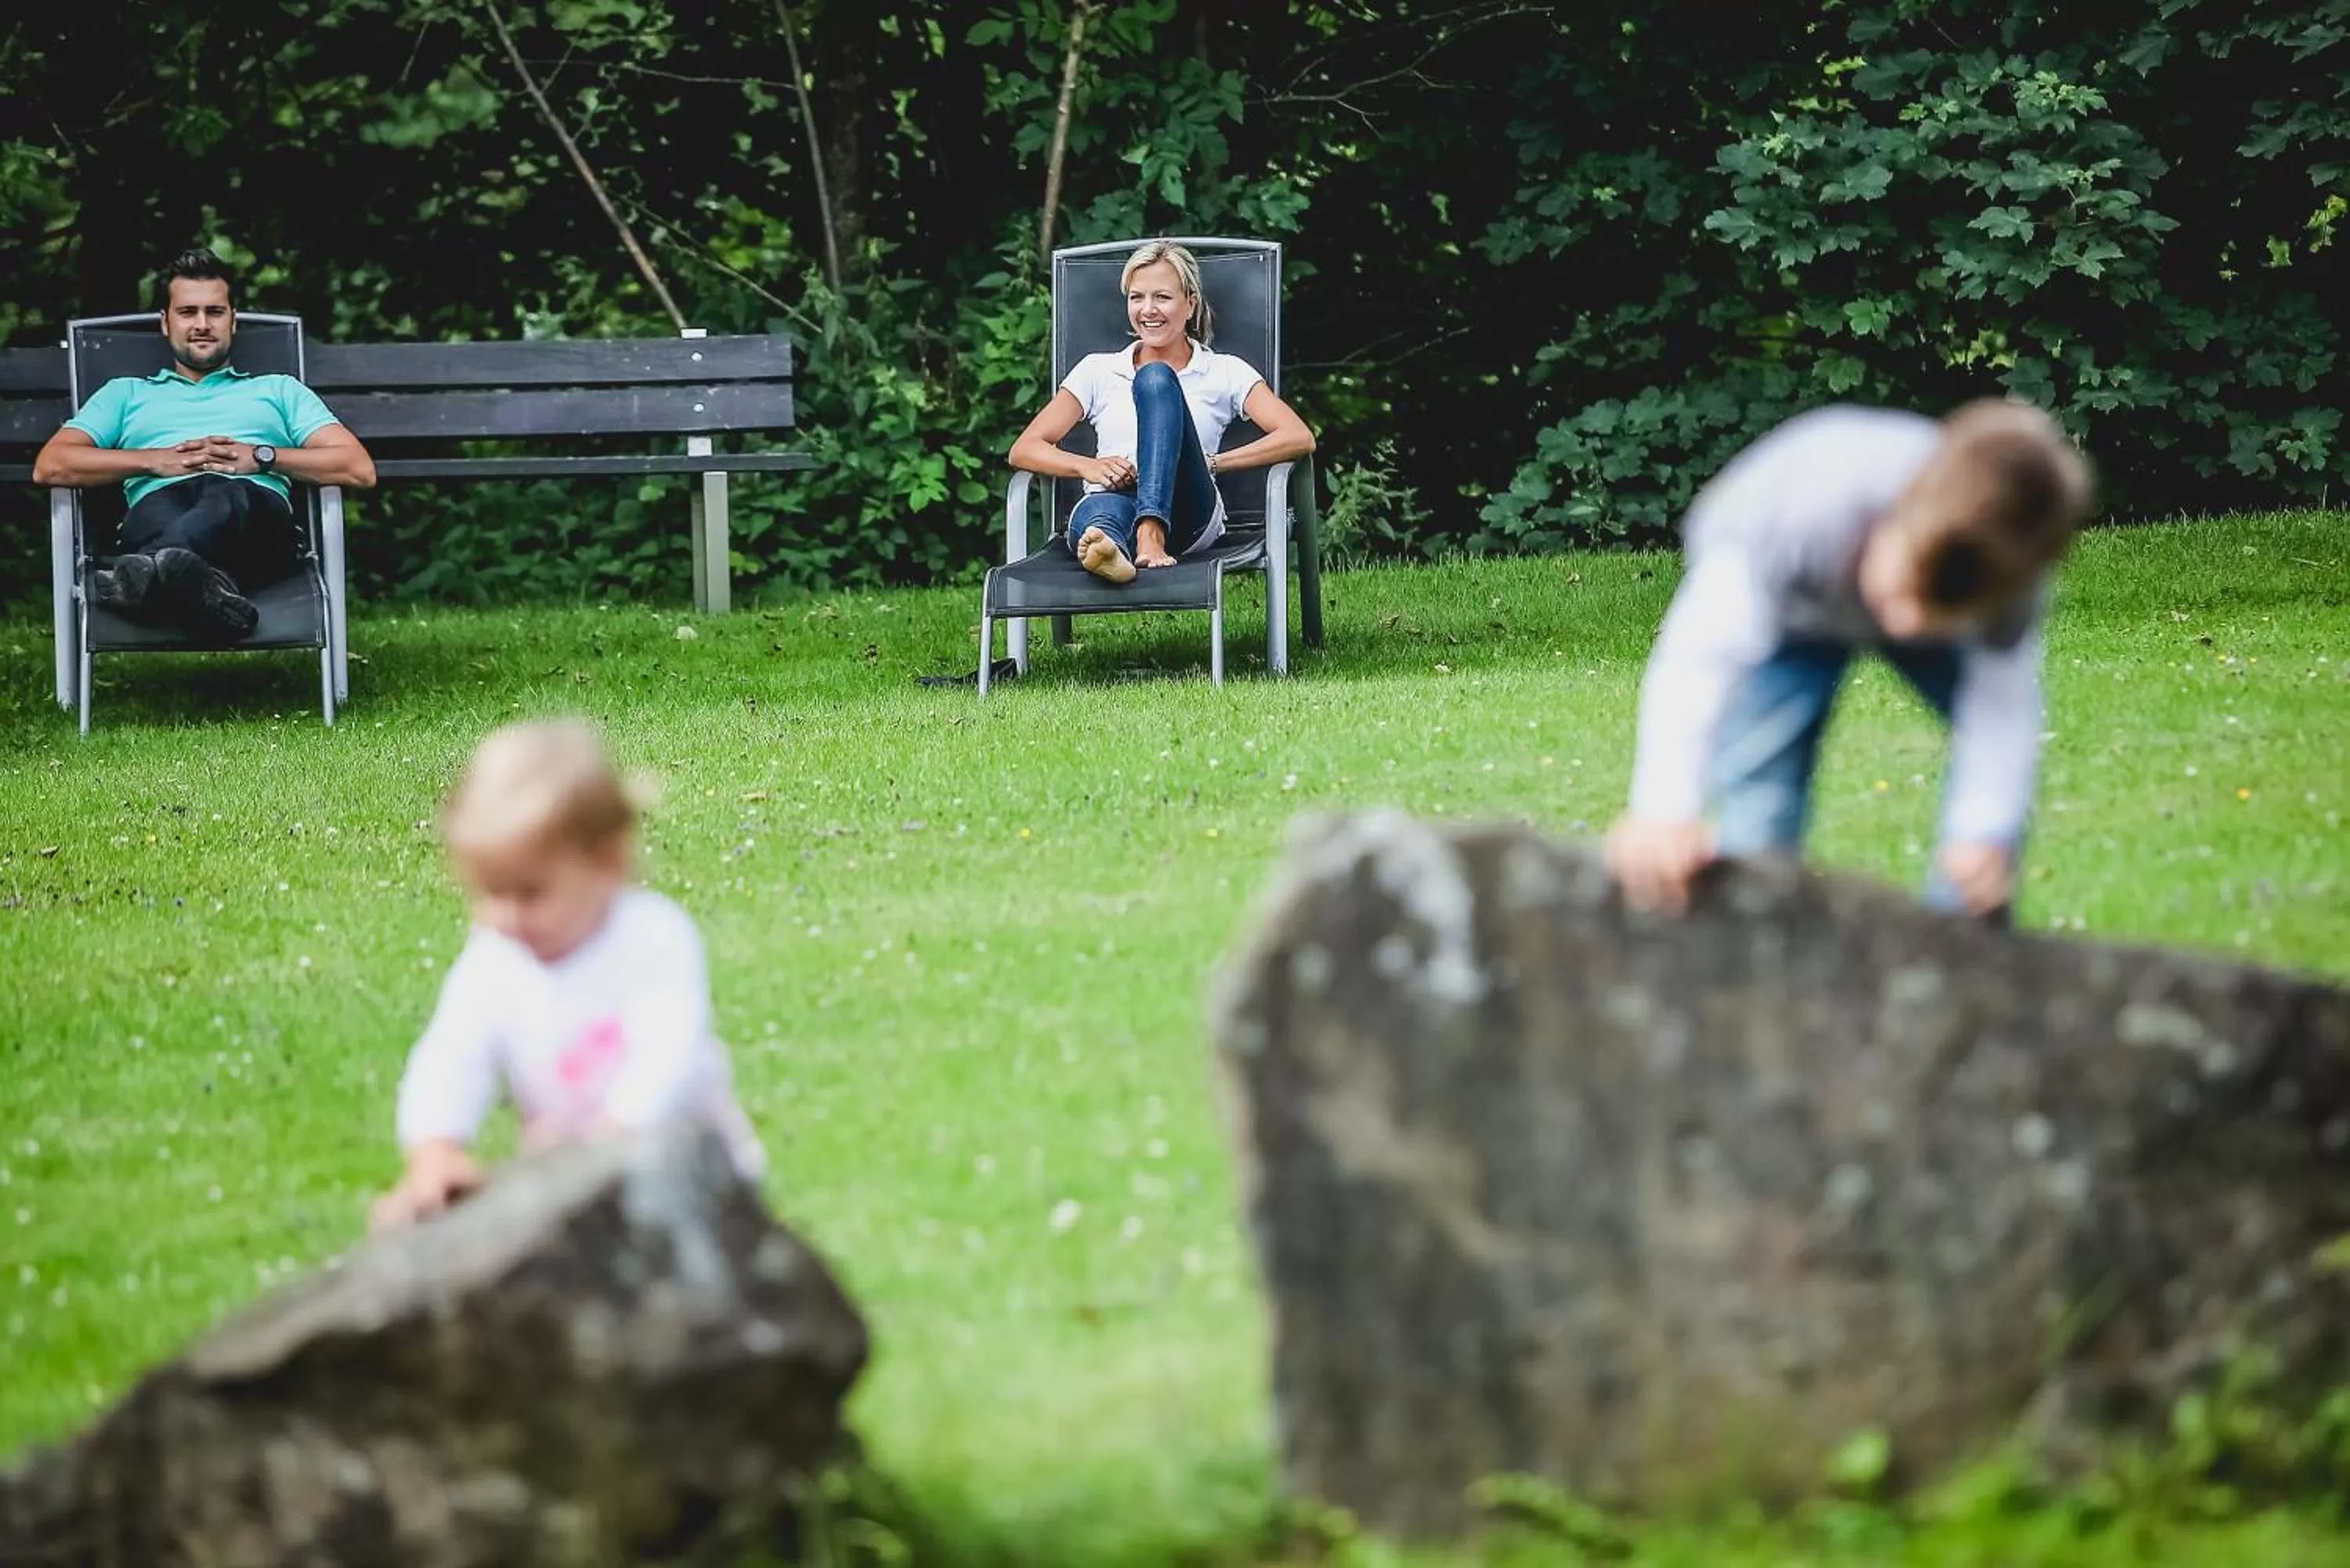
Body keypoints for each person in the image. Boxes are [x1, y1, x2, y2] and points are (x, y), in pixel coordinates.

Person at [1604, 399, 2095, 924]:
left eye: (1936, 608)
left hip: (1934, 619)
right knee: (1761, 786)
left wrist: (1985, 830)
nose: (1905, 623)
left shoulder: (2005, 572)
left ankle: (1962, 955)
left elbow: (2001, 711)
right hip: (1793, 612)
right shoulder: (1800, 515)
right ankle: (1751, 946)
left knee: (1988, 836)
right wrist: (1664, 809)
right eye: (1906, 590)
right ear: (1893, 516)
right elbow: (1699, 659)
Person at [370, 720, 763, 1230]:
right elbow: (453, 1053)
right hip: (574, 1185)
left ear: (608, 862)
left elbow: (671, 1050)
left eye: (530, 893)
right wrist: (436, 1147)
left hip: (694, 1182)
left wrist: (609, 1135)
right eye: (491, 893)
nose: (508, 916)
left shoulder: (651, 937)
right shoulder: (497, 958)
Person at [31, 247, 377, 641]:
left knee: (225, 490)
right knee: (169, 514)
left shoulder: (279, 390)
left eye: (214, 312)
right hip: (157, 509)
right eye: (187, 312)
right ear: (165, 323)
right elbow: (52, 464)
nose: (202, 324)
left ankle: (143, 580)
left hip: (258, 526)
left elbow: (357, 467)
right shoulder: (124, 394)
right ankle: (206, 591)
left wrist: (262, 458)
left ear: (233, 321)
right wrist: (153, 462)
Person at [1008, 239, 1315, 582]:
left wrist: (1212, 462)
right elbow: (1024, 449)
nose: (1148, 309)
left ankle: (1150, 533)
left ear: (1190, 304)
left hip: (1187, 511)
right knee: (1098, 519)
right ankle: (1113, 554)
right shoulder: (1097, 370)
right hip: (1113, 499)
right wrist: (1089, 467)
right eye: (1137, 297)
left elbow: (1298, 437)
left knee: (1155, 379)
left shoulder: (1225, 371)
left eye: (1162, 297)